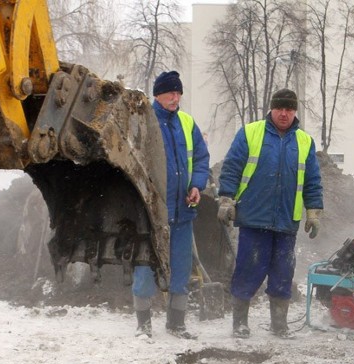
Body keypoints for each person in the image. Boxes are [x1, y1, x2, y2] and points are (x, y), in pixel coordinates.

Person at [217, 89, 323, 338]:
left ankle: (279, 325)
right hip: (254, 218)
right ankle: (240, 323)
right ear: (271, 109)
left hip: (287, 221)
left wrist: (314, 212)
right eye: (280, 109)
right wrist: (226, 200)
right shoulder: (250, 133)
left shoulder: (305, 142)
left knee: (283, 273)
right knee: (248, 269)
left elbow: (312, 180)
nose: (284, 114)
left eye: (289, 109)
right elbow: (232, 167)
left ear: (295, 111)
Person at [132, 70, 210, 339]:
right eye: (170, 93)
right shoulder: (143, 120)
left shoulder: (187, 123)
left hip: (183, 210)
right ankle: (143, 325)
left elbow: (201, 158)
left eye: (178, 93)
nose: (175, 97)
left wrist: (197, 185)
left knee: (180, 268)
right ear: (158, 95)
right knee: (145, 266)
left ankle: (176, 324)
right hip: (151, 213)